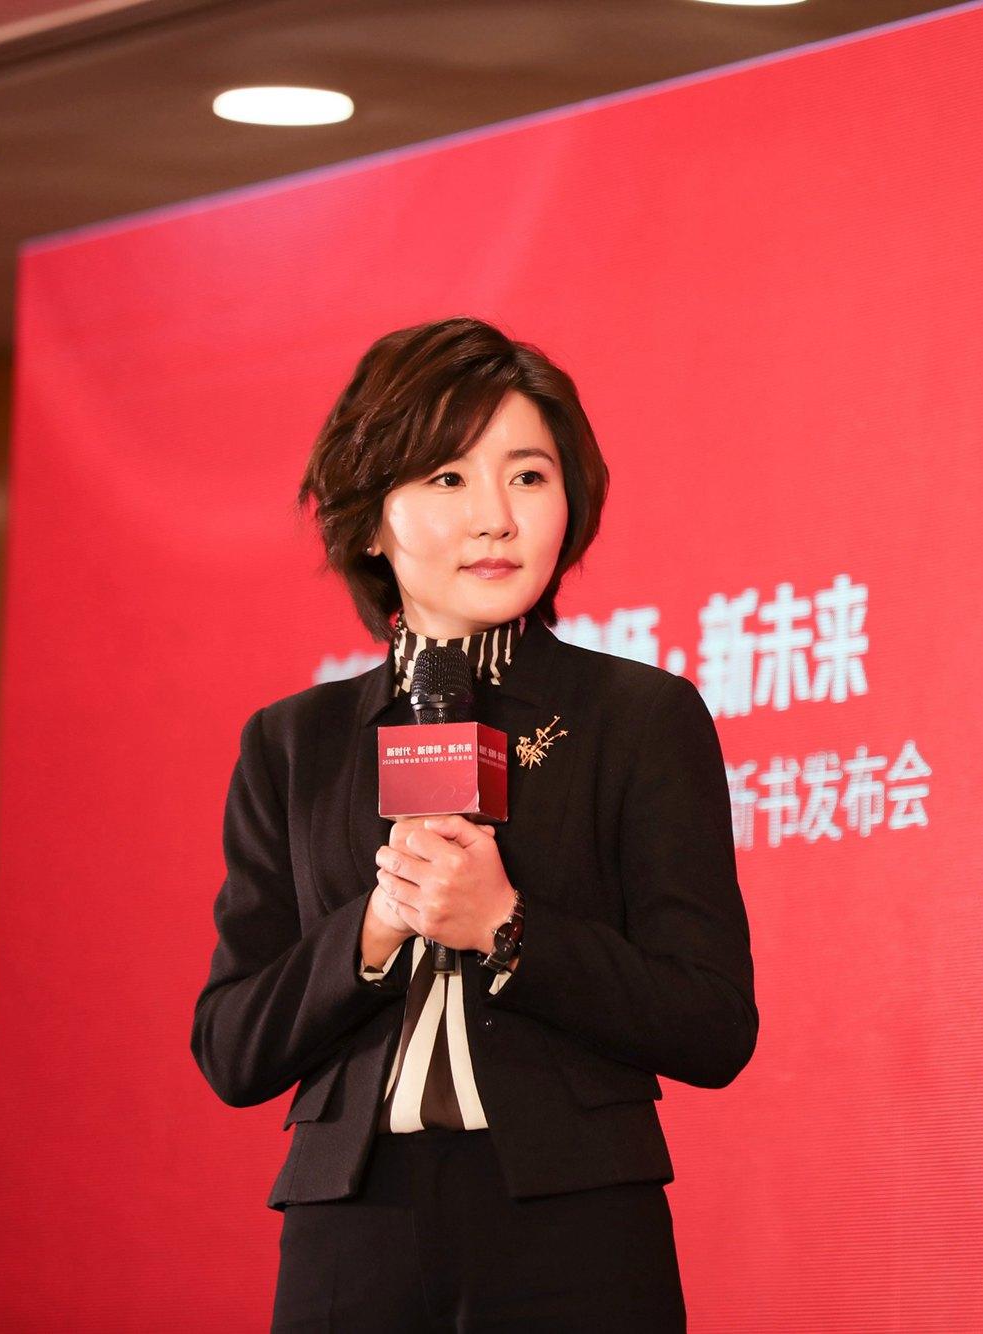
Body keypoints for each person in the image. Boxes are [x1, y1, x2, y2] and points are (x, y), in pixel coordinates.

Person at [189, 316, 758, 1330]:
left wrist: (506, 927)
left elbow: (711, 1021)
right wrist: (375, 928)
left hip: (575, 1224)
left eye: (528, 476)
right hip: (349, 1228)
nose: (495, 517)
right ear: (371, 521)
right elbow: (232, 1044)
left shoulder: (639, 717)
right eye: (447, 477)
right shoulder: (294, 743)